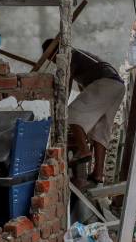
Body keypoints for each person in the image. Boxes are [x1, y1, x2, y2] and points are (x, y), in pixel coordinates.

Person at [42, 39, 125, 185]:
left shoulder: (69, 55)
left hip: (105, 83)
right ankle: (98, 174)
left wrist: (60, 106)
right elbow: (87, 92)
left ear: (55, 52)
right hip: (117, 86)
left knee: (72, 113)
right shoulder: (83, 58)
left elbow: (65, 83)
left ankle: (84, 150)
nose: (54, 62)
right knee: (100, 131)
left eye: (52, 58)